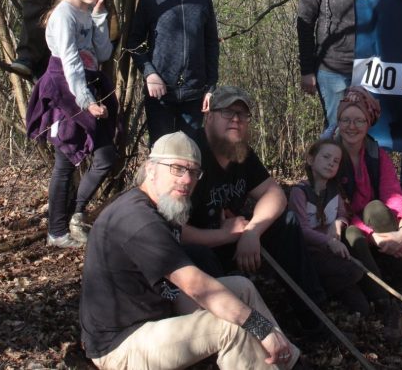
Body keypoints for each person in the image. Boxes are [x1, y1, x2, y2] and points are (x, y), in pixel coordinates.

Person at [80, 132, 299, 369]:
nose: (187, 180)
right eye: (177, 168)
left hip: (157, 312)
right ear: (151, 169)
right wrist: (260, 327)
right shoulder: (138, 219)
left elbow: (182, 269)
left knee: (242, 289)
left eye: (194, 172)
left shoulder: (160, 207)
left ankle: (291, 363)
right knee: (232, 327)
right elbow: (195, 285)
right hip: (122, 343)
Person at [184, 86, 328, 333]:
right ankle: (230, 332)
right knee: (200, 256)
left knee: (287, 222)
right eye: (229, 112)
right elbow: (169, 230)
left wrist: (252, 231)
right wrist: (224, 236)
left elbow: (274, 194)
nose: (237, 120)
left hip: (231, 239)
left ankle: (315, 321)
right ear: (209, 116)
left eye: (243, 115)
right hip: (191, 252)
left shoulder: (241, 153)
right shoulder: (189, 153)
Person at [25, 0, 118, 248]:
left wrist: (100, 17)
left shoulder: (86, 13)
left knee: (105, 158)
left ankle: (74, 213)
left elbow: (102, 53)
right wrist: (85, 100)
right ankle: (56, 231)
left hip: (88, 85)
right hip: (67, 88)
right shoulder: (65, 14)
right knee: (65, 161)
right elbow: (70, 60)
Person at [127, 0, 219, 154]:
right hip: (160, 93)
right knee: (161, 152)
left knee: (192, 152)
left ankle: (192, 190)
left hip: (195, 93)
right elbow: (134, 42)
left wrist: (210, 87)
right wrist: (150, 73)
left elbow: (211, 44)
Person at [333, 93, 402, 339]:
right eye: (345, 120)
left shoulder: (377, 155)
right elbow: (340, 211)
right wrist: (374, 237)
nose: (351, 127)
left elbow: (393, 194)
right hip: (351, 227)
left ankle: (397, 275)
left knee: (376, 207)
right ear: (338, 122)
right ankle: (384, 299)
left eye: (358, 121)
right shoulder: (329, 155)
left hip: (378, 224)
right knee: (352, 233)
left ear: (368, 124)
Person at [288, 140, 370, 315]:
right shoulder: (299, 192)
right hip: (310, 255)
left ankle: (334, 288)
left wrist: (337, 223)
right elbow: (301, 229)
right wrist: (329, 242)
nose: (331, 162)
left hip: (332, 252)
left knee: (363, 308)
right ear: (311, 160)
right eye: (326, 157)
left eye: (336, 161)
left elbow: (343, 214)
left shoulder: (334, 191)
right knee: (355, 271)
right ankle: (317, 288)